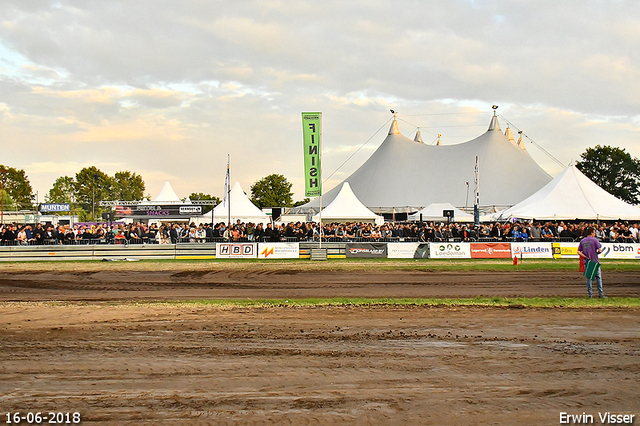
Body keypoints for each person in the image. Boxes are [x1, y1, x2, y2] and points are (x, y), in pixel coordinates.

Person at [577, 227, 604, 298]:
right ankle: (600, 294)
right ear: (592, 233)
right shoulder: (595, 240)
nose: (595, 234)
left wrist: (585, 256)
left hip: (587, 261)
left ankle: (590, 294)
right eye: (594, 232)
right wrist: (596, 253)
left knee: (589, 278)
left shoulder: (582, 240)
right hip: (595, 261)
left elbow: (578, 251)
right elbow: (600, 250)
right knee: (598, 277)